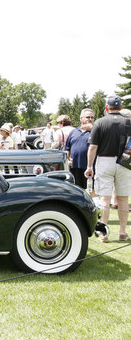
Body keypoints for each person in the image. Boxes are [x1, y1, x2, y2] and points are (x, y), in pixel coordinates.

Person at [85, 95, 131, 242]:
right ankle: (123, 232)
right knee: (123, 198)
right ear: (121, 108)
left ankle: (104, 233)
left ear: (107, 108)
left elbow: (92, 147)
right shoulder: (129, 122)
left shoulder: (99, 122)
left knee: (104, 198)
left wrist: (89, 166)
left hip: (104, 160)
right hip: (124, 162)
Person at [65, 109, 94, 189]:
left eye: (92, 117)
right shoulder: (73, 132)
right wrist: (68, 159)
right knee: (77, 190)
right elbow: (67, 148)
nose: (90, 119)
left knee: (92, 190)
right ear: (81, 118)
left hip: (89, 167)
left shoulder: (95, 131)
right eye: (88, 117)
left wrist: (93, 129)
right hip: (75, 167)